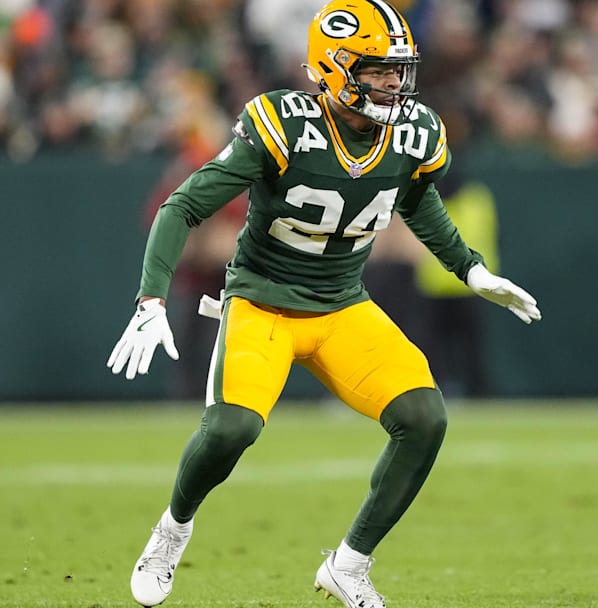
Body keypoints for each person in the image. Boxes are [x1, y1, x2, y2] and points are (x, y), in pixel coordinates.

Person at [106, 2, 541, 607]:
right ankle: (171, 531)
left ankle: (349, 566)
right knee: (231, 428)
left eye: (398, 69)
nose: (393, 83)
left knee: (424, 418)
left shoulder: (412, 132)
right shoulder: (283, 124)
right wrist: (151, 298)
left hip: (341, 306)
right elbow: (182, 206)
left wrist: (469, 267)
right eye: (378, 69)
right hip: (263, 303)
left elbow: (417, 199)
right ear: (334, 69)